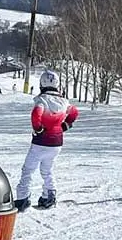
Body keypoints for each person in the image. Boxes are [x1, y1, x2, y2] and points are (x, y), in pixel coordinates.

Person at [14, 69, 79, 211]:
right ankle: (49, 195)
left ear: (41, 84)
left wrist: (38, 129)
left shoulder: (42, 100)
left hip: (41, 141)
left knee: (28, 169)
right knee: (47, 169)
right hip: (57, 142)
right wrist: (65, 125)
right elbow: (74, 112)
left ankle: (22, 198)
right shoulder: (64, 102)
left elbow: (36, 115)